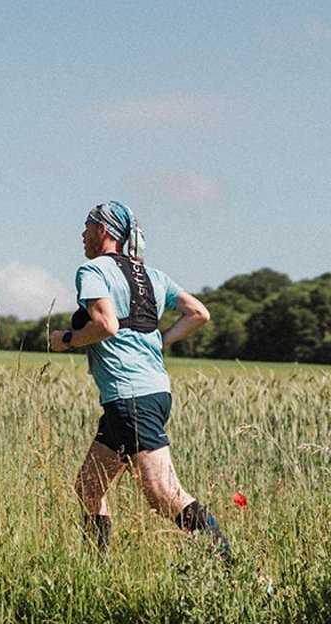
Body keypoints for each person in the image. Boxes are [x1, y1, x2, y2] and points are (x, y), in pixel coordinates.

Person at [47, 200, 230, 560]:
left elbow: (106, 325)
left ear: (104, 230)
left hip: (131, 397)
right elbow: (198, 313)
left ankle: (231, 568)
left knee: (163, 493)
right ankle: (97, 570)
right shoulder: (153, 276)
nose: (82, 234)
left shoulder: (93, 271)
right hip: (149, 393)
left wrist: (67, 340)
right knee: (88, 486)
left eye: (87, 226)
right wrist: (159, 341)